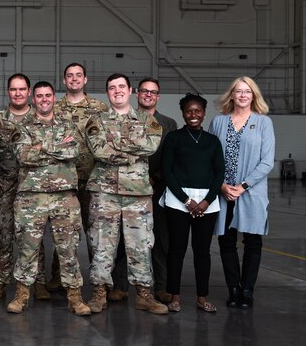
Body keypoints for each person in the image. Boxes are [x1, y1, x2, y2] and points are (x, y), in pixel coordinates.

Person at [84, 73, 167, 315]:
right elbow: (99, 151)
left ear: (130, 90)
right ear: (107, 92)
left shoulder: (148, 120)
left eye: (121, 86)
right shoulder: (95, 120)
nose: (117, 91)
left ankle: (144, 294)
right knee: (101, 243)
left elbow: (150, 146)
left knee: (140, 244)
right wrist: (133, 150)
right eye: (112, 87)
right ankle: (99, 294)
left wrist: (115, 145)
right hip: (104, 192)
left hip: (137, 194)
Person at [7, 81, 91, 316]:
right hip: (31, 198)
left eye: (48, 95)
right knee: (27, 247)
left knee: (69, 248)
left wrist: (40, 147)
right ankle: (22, 295)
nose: (44, 99)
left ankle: (75, 297)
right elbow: (23, 155)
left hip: (64, 197)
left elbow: (73, 151)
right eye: (40, 96)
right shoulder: (22, 125)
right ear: (33, 99)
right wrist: (55, 149)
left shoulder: (68, 125)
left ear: (54, 98)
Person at [109, 78, 177, 303]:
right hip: (126, 188)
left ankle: (161, 286)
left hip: (157, 188)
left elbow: (169, 156)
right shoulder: (126, 118)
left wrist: (154, 177)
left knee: (158, 239)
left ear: (158, 96)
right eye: (144, 91)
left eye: (153, 92)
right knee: (122, 239)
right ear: (136, 93)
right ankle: (120, 285)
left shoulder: (168, 123)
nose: (148, 95)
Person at [209, 77, 275, 309]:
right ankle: (233, 289)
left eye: (248, 91)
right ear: (232, 95)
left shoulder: (263, 122)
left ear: (254, 96)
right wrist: (222, 186)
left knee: (252, 242)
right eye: (239, 91)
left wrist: (243, 186)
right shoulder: (218, 122)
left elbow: (267, 162)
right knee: (226, 242)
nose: (243, 95)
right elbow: (211, 157)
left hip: (251, 193)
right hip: (223, 192)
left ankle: (247, 290)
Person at [161, 93, 224, 313]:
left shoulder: (212, 141)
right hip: (178, 201)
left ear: (204, 113)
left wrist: (207, 201)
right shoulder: (173, 138)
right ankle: (175, 297)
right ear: (183, 113)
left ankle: (201, 297)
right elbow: (167, 171)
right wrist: (186, 200)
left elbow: (219, 173)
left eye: (197, 111)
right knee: (176, 249)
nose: (193, 115)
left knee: (202, 251)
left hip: (207, 203)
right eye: (189, 111)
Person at [49, 63, 108, 292]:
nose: (74, 79)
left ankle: (100, 281)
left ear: (85, 79)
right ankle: (58, 275)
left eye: (78, 75)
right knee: (63, 232)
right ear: (64, 81)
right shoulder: (55, 107)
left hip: (93, 180)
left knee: (96, 233)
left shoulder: (99, 108)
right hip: (65, 182)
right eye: (70, 76)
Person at [0, 74, 39, 300]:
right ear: (8, 92)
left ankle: (40, 281)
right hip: (4, 184)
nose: (18, 93)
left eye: (22, 89)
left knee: (33, 235)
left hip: (31, 184)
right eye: (13, 89)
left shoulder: (40, 118)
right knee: (1, 232)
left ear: (29, 92)